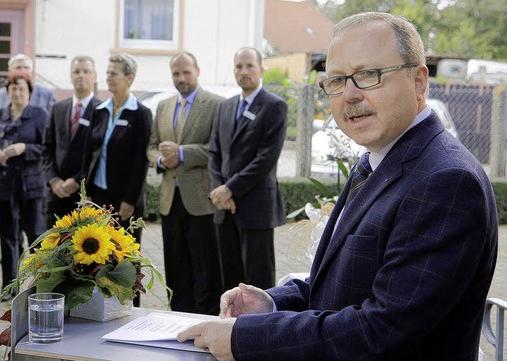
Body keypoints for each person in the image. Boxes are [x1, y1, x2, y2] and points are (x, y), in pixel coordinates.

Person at [177, 12, 498, 361]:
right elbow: (341, 289)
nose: (349, 94)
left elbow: (381, 331)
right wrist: (270, 303)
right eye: (337, 80)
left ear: (419, 82)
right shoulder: (380, 158)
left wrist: (245, 338)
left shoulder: (445, 181)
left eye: (367, 75)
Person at [146, 51, 224, 315]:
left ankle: (206, 318)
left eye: (186, 72)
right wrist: (159, 160)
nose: (181, 78)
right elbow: (152, 145)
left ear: (198, 71)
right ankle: (177, 317)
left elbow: (218, 148)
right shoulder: (164, 106)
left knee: (205, 266)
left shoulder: (216, 104)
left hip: (202, 200)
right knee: (175, 264)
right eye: (176, 73)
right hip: (170, 200)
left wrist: (181, 153)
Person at [208, 47, 287, 291]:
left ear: (261, 70)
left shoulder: (275, 106)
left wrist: (229, 189)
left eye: (250, 66)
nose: (244, 71)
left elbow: (266, 159)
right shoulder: (225, 107)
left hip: (256, 208)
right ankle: (229, 328)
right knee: (229, 281)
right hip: (225, 209)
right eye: (239, 66)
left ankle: (261, 329)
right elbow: (214, 153)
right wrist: (219, 191)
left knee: (258, 282)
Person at [84, 53, 152, 306]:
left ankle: (131, 309)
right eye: (108, 72)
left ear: (129, 78)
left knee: (126, 260)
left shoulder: (140, 114)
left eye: (114, 73)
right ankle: (105, 307)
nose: (108, 77)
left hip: (125, 200)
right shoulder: (99, 111)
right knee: (100, 257)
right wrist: (86, 192)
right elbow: (88, 153)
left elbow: (140, 161)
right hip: (100, 196)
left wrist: (130, 200)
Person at [0, 70, 47, 302]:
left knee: (35, 236)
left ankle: (42, 287)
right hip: (4, 184)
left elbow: (45, 148)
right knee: (8, 237)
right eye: (13, 88)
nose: (17, 92)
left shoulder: (39, 114)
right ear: (8, 92)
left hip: (31, 185)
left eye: (21, 88)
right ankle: (10, 287)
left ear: (29, 92)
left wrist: (25, 148)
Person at [43, 55, 101, 228]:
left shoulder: (102, 111)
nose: (81, 75)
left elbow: (99, 154)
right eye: (76, 71)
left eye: (86, 71)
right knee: (52, 251)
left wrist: (77, 181)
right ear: (70, 76)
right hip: (56, 194)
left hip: (85, 195)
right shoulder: (58, 109)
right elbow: (47, 148)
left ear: (94, 77)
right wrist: (53, 180)